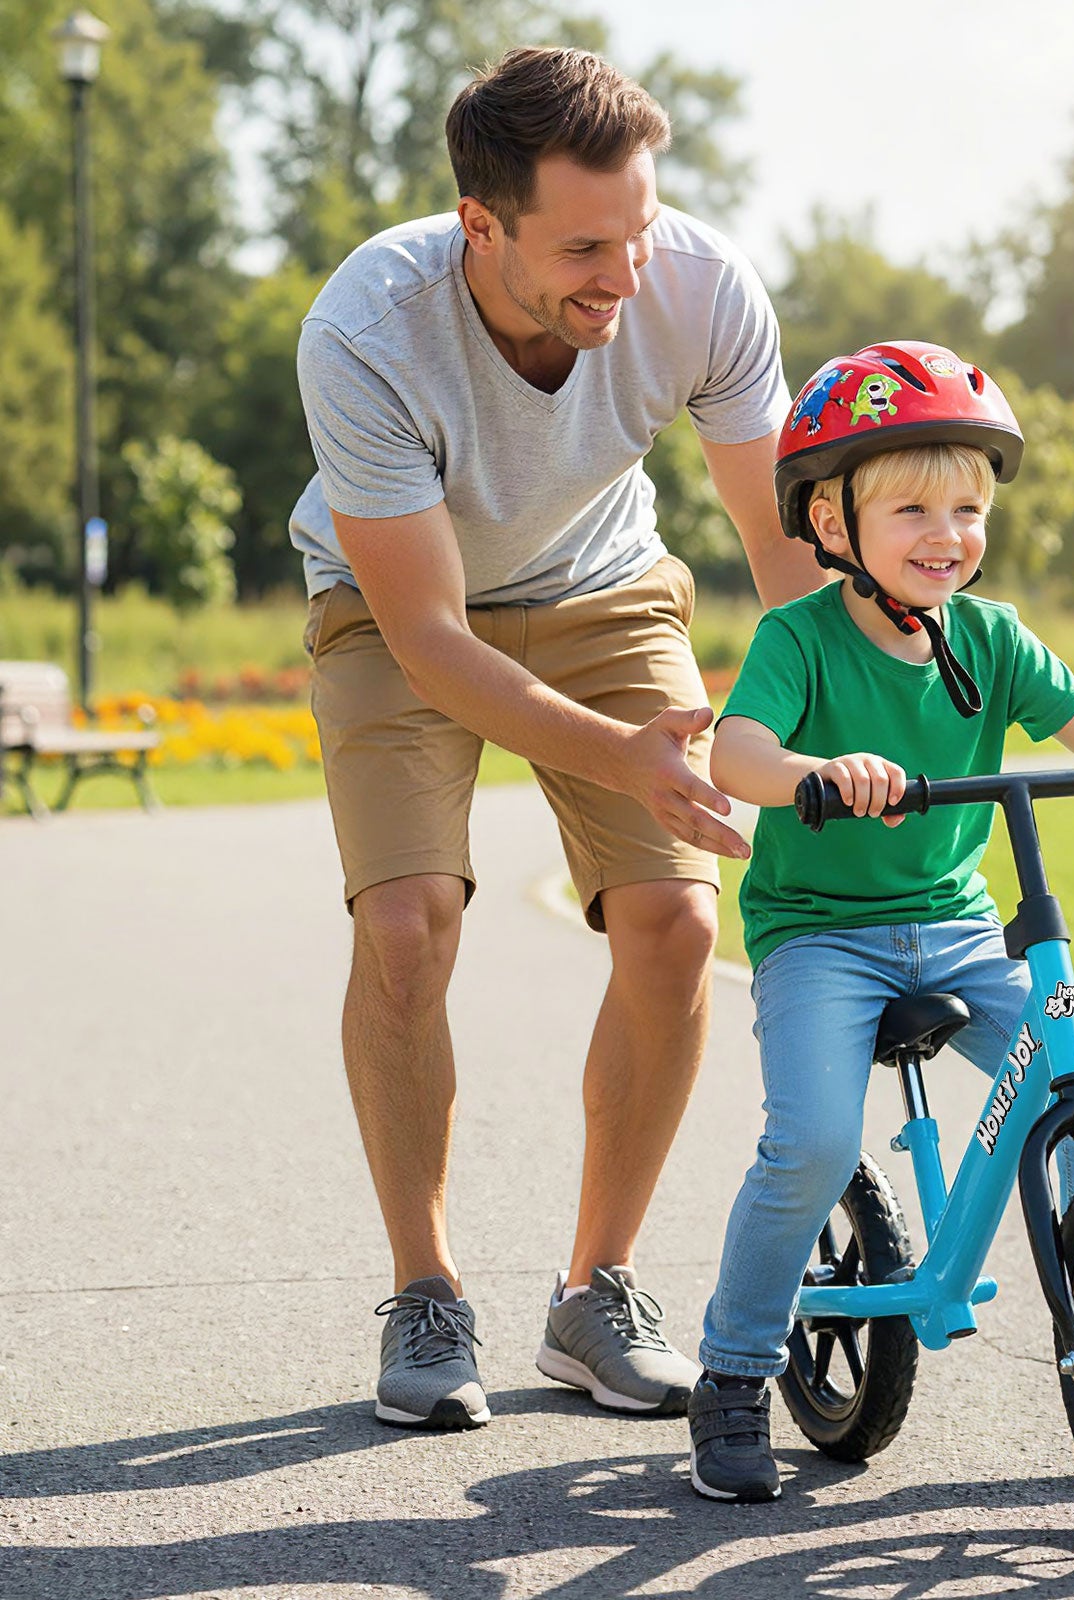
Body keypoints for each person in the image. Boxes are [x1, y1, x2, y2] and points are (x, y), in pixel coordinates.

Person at [289, 46, 819, 1431]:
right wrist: (625, 755)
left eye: (636, 232)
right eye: (584, 246)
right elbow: (431, 642)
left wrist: (865, 729)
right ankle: (426, 1293)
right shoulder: (368, 329)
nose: (623, 274)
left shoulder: (698, 284)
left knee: (679, 926)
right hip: (399, 608)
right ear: (482, 224)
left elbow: (784, 556)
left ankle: (597, 1291)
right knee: (405, 925)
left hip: (605, 586)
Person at [683, 342, 1074, 1502]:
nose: (945, 533)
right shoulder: (801, 639)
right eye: (911, 505)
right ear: (830, 519)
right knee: (812, 1140)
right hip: (821, 934)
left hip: (960, 923)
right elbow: (738, 751)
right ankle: (732, 1369)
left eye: (967, 507)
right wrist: (820, 766)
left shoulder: (992, 636)